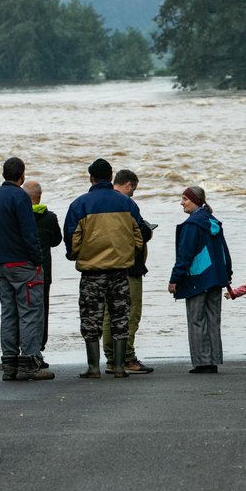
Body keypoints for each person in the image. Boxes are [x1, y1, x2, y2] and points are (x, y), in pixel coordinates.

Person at [63, 158, 143, 379]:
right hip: (120, 271)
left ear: (91, 178)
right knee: (120, 318)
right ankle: (118, 367)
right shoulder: (127, 204)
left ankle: (93, 367)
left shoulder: (80, 204)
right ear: (110, 177)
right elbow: (139, 236)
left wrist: (76, 255)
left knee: (91, 319)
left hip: (91, 272)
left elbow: (71, 238)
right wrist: (129, 254)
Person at [0, 157, 54, 381]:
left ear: (4, 174)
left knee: (9, 313)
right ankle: (30, 364)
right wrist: (37, 260)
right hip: (23, 264)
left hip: (0, 263)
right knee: (30, 312)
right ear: (21, 175)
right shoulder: (21, 197)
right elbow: (28, 232)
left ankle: (9, 364)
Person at [168, 186, 232, 374]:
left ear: (195, 201)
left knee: (196, 319)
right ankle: (212, 360)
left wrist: (174, 279)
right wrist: (227, 274)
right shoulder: (213, 221)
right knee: (213, 319)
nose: (182, 202)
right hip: (216, 277)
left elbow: (185, 255)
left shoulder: (192, 225)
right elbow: (224, 251)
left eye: (185, 199)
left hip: (197, 278)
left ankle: (203, 362)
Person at [101, 169, 155, 375]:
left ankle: (111, 358)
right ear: (128, 185)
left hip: (105, 265)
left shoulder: (97, 201)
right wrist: (148, 231)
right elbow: (140, 231)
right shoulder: (127, 203)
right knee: (130, 313)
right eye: (134, 189)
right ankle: (127, 357)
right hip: (129, 266)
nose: (133, 193)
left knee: (108, 314)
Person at [23, 180, 62, 362]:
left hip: (21, 269)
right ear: (40, 196)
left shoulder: (19, 217)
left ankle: (22, 348)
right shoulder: (49, 218)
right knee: (42, 309)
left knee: (21, 310)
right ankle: (39, 347)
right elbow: (56, 241)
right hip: (43, 270)